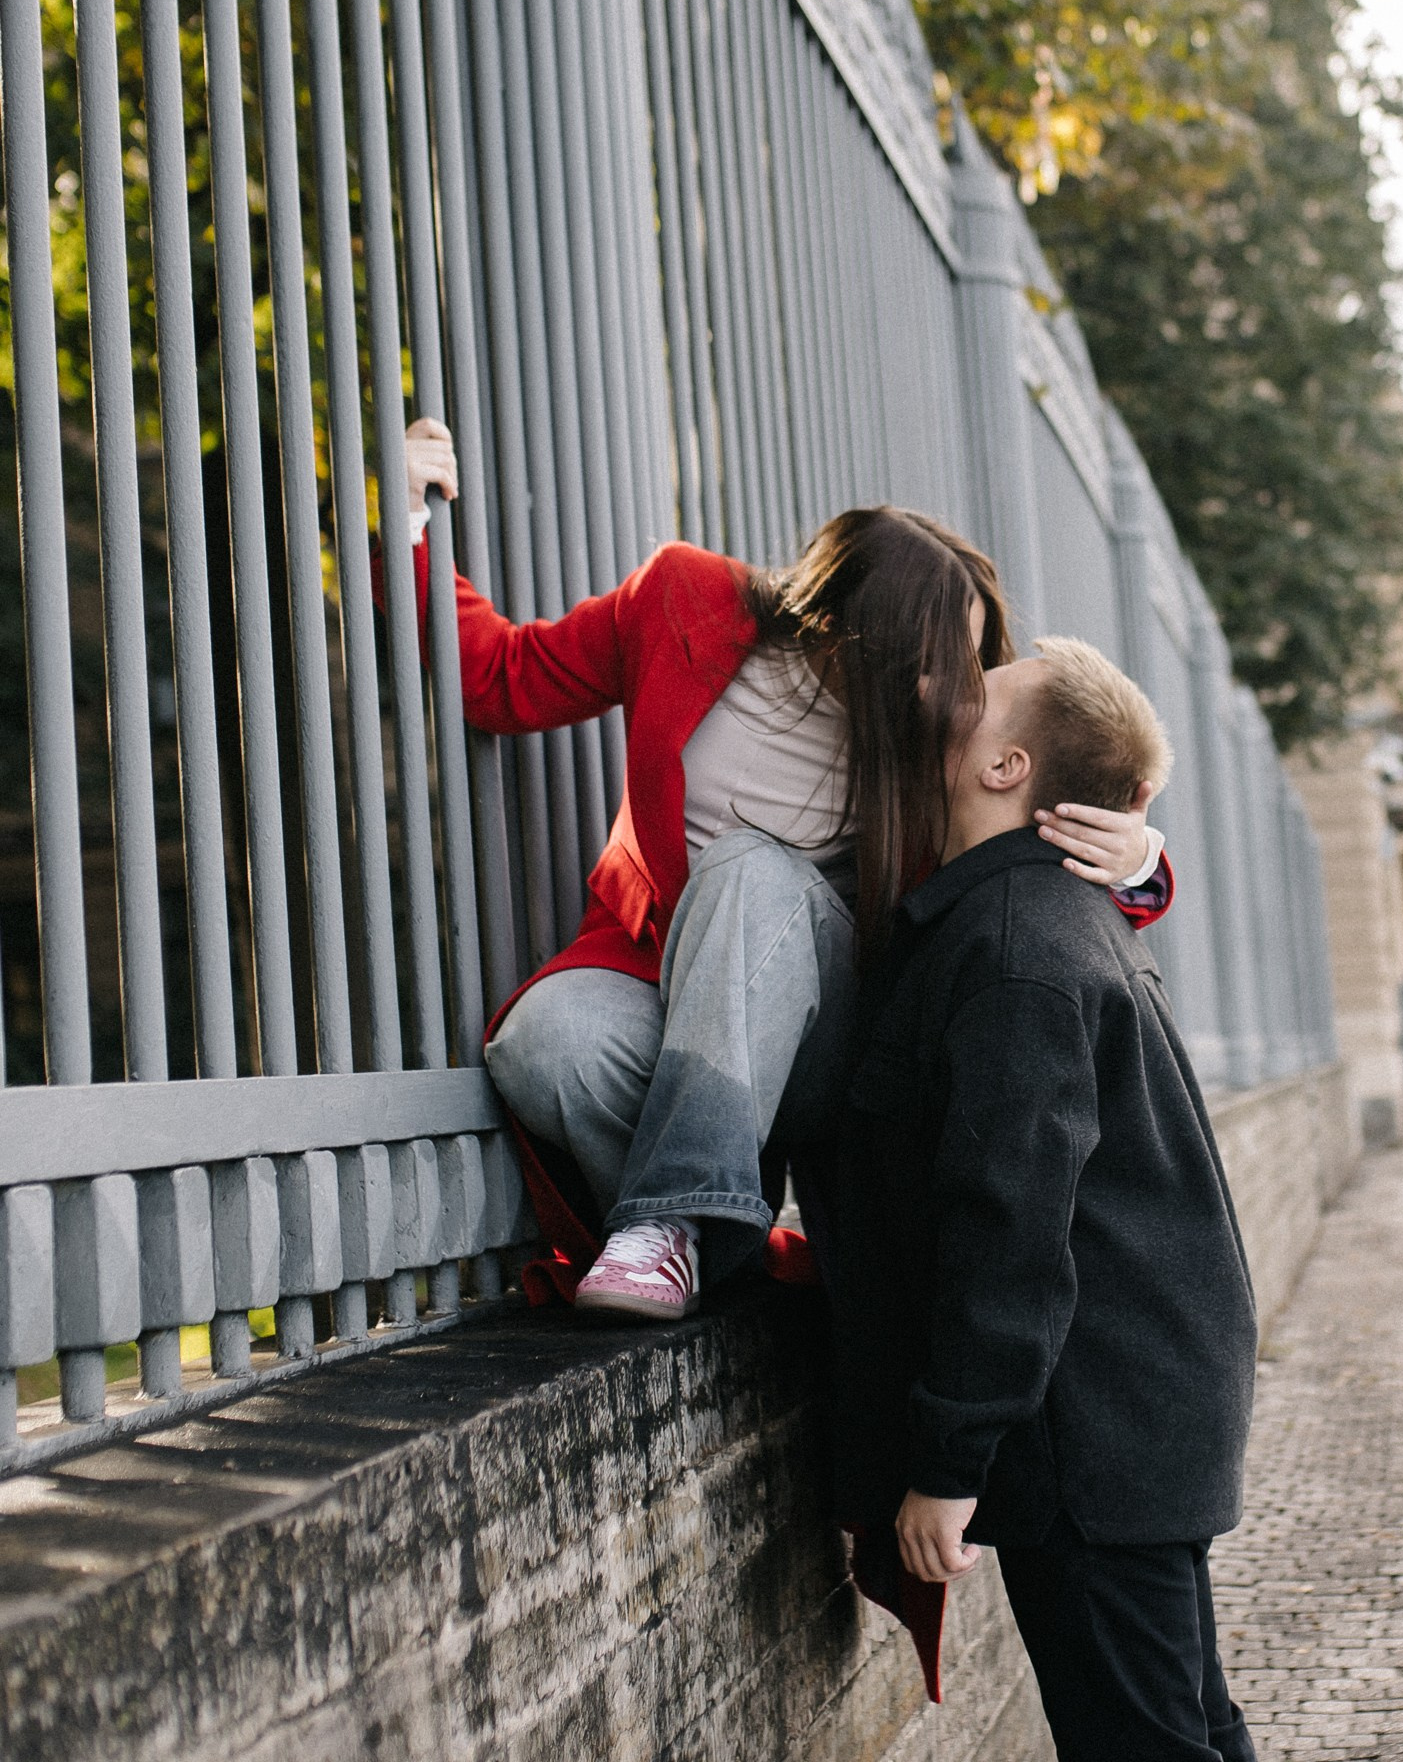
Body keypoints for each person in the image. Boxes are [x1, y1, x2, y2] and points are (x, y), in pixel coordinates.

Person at [831, 636, 1356, 1762]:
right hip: (1131, 1413)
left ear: (1009, 776)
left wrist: (942, 1460)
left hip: (1085, 1433)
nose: (942, 705)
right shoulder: (1049, 922)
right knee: (1192, 1760)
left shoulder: (1017, 940)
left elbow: (1012, 1218)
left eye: (972, 705)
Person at [391, 420, 1171, 1315]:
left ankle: (668, 1224)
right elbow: (505, 675)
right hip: (657, 976)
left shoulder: (936, 742)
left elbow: (1023, 856)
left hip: (834, 1032)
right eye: (931, 661)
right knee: (543, 1046)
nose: (952, 688)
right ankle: (718, 1251)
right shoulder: (681, 601)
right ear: (841, 630)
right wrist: (406, 522)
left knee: (751, 869)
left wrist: (1138, 861)